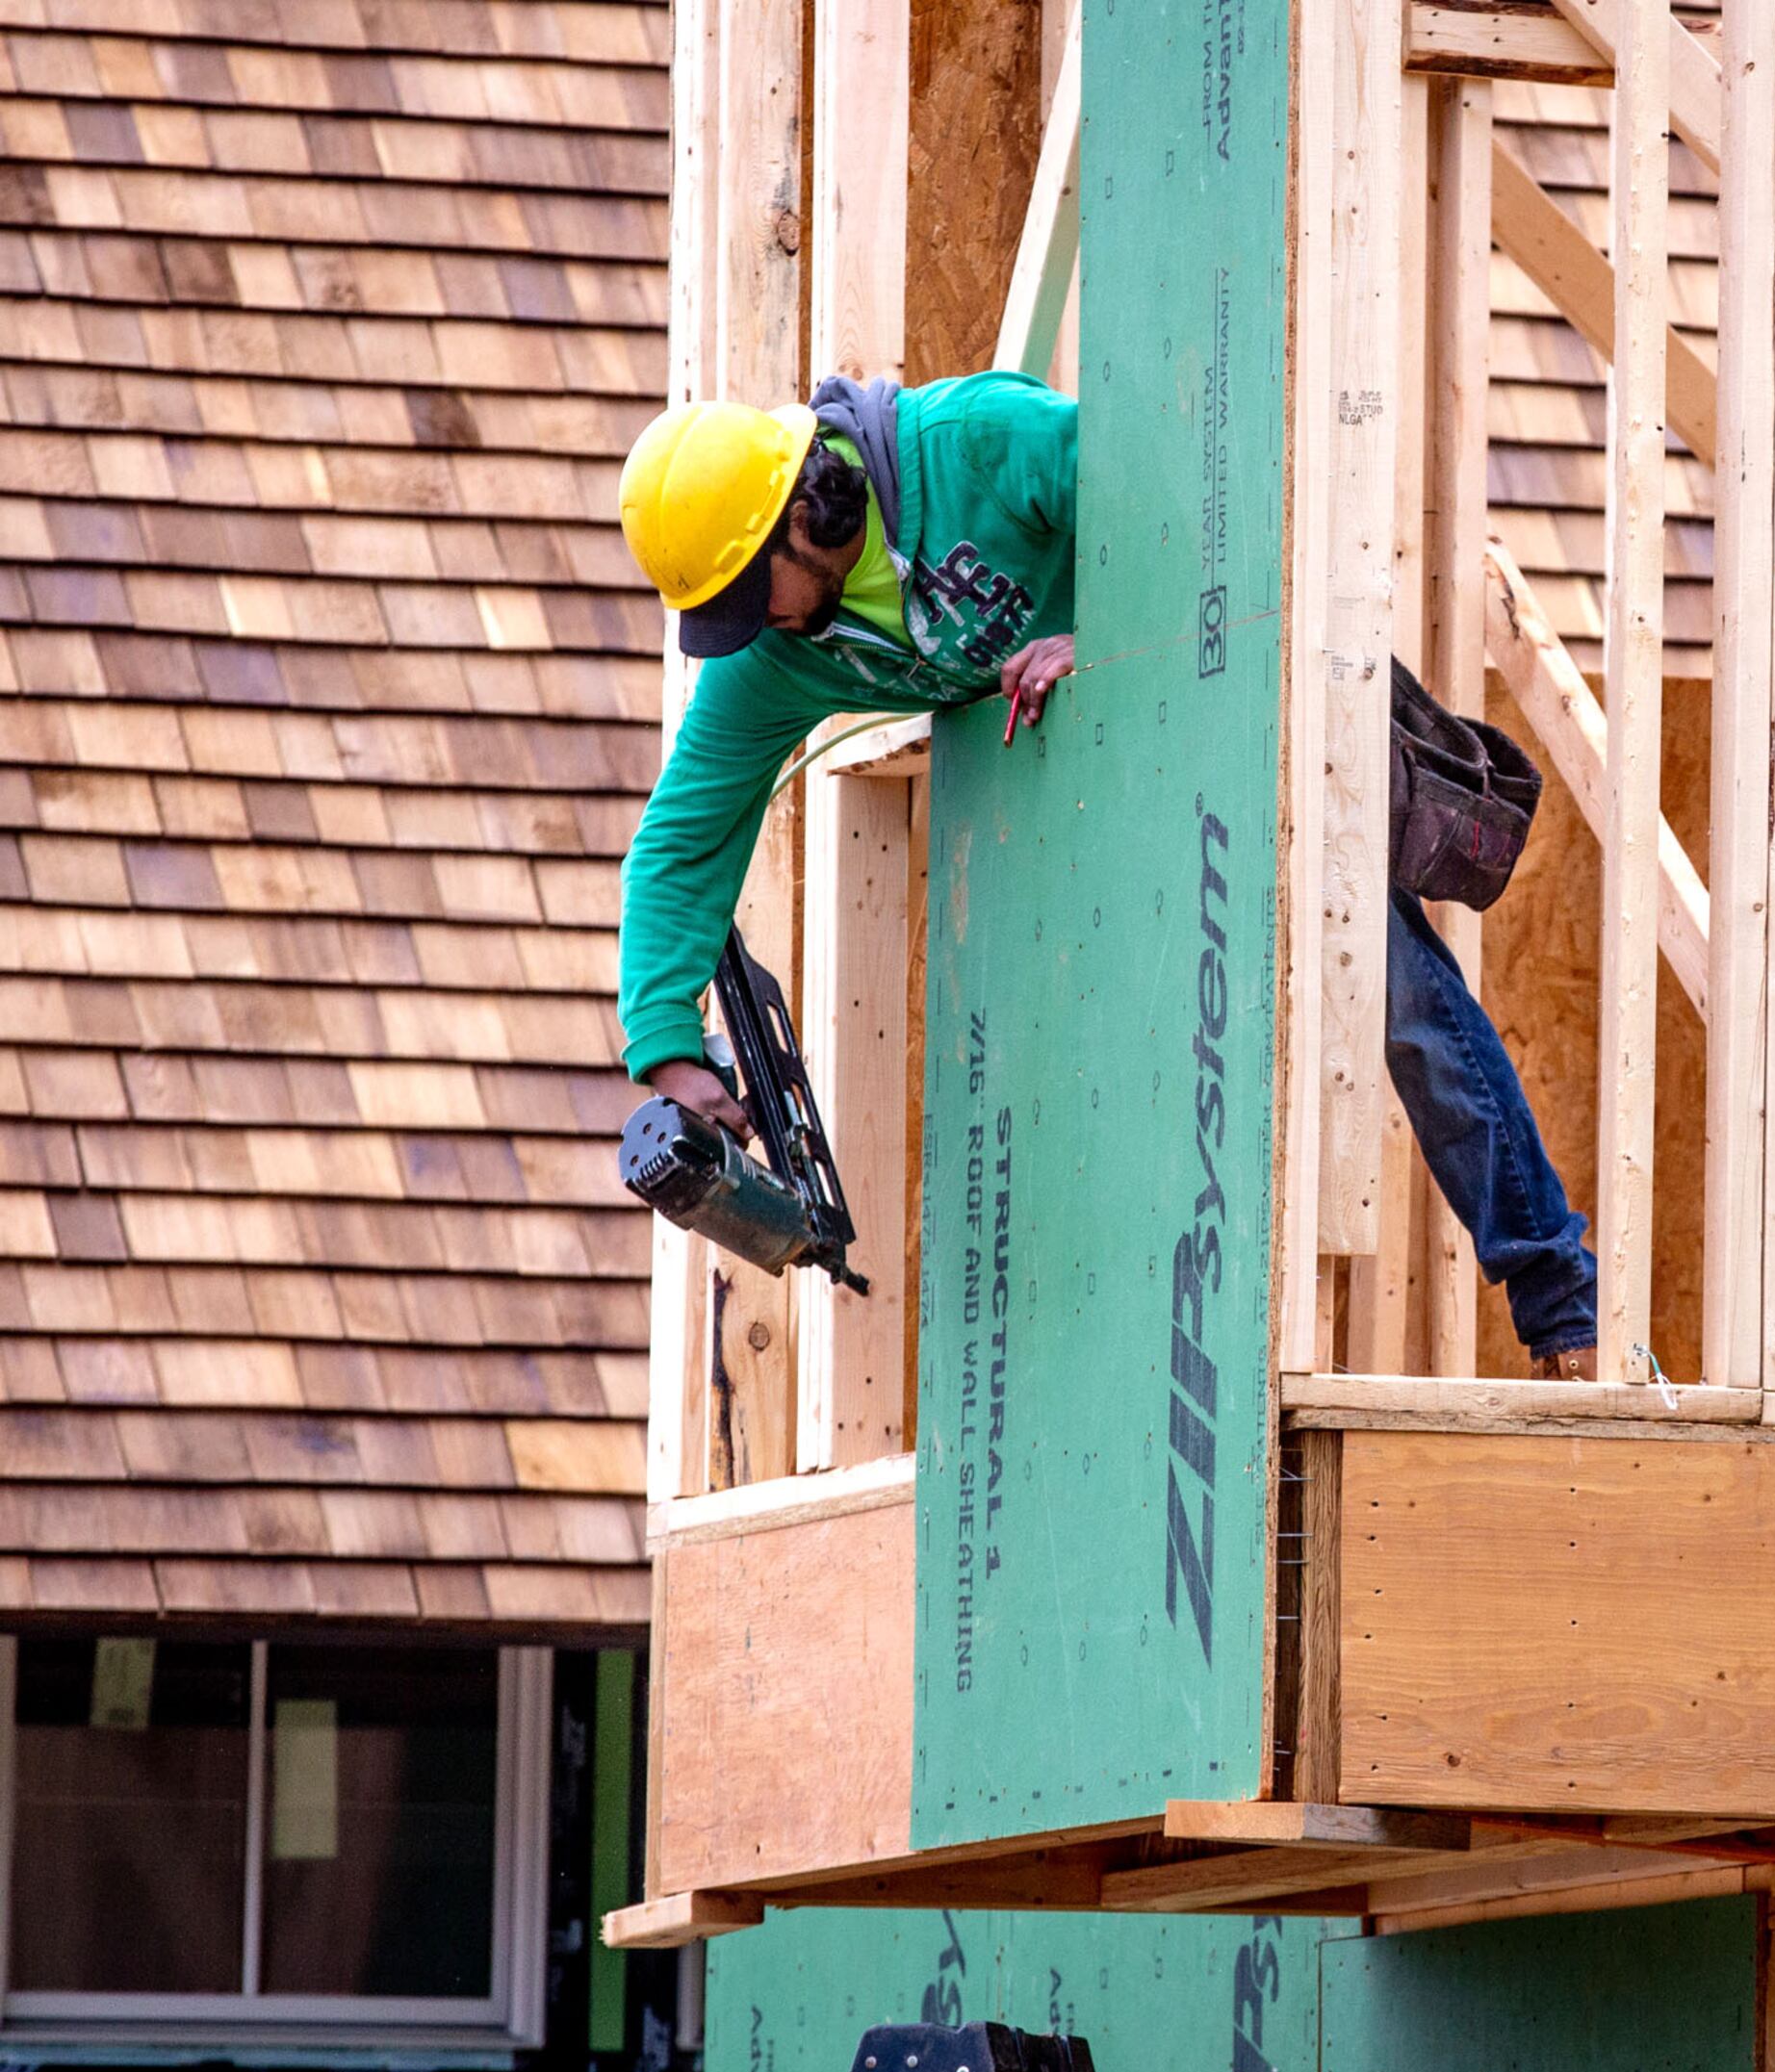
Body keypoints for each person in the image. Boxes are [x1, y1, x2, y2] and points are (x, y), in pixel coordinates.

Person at [611, 373, 1600, 1377]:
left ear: (809, 518)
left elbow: (1214, 517)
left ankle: (1559, 1307)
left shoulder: (983, 443)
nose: (751, 629)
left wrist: (1111, 642)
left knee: (1401, 1002)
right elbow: (685, 836)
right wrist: (668, 1054)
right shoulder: (780, 655)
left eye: (748, 596)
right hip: (1112, 829)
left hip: (1227, 717)